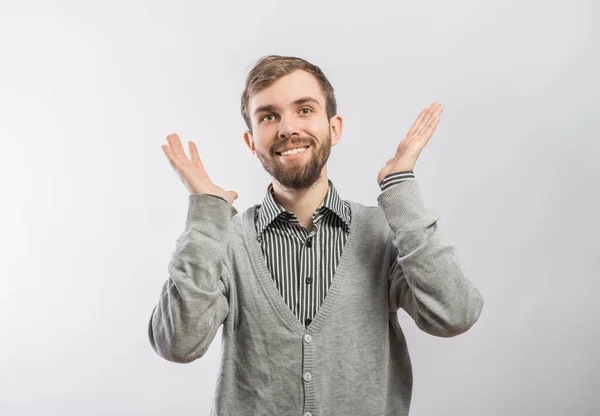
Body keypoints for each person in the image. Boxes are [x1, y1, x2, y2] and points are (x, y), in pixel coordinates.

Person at [148, 55, 484, 416]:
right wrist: (206, 213)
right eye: (268, 116)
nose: (286, 128)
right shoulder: (223, 239)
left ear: (334, 128)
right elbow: (177, 344)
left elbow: (455, 315)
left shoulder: (384, 233)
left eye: (304, 110)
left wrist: (400, 188)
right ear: (251, 141)